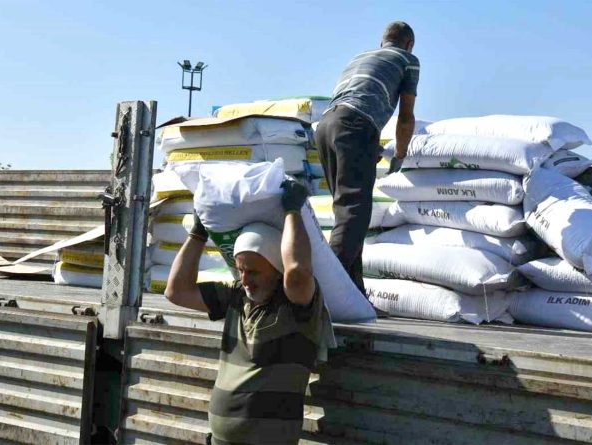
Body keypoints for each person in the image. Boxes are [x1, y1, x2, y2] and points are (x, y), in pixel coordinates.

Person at [164, 180, 325, 445]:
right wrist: (197, 234)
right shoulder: (236, 296)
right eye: (240, 269)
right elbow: (176, 291)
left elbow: (297, 271)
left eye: (253, 271)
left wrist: (292, 212)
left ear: (276, 269)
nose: (245, 278)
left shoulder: (296, 305)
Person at [315, 21, 420, 294]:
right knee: (354, 214)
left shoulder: (359, 57)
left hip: (326, 126)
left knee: (347, 217)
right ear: (409, 44)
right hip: (354, 125)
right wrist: (399, 154)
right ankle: (319, 292)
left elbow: (356, 98)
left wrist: (368, 146)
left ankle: (354, 295)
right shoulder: (407, 59)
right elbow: (405, 116)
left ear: (382, 40)